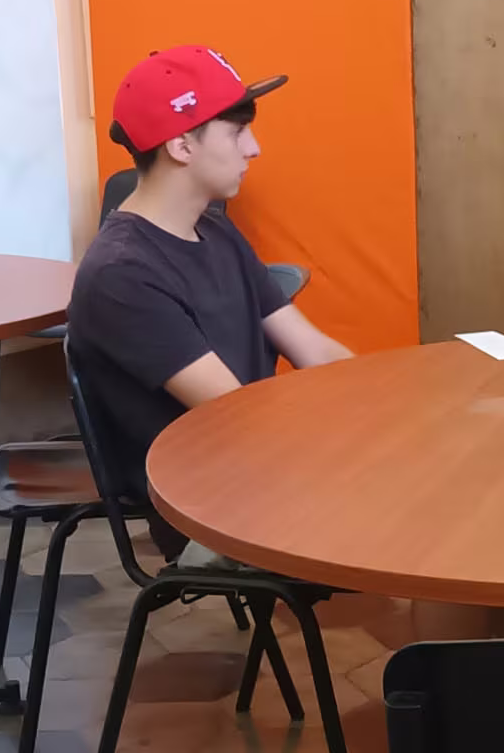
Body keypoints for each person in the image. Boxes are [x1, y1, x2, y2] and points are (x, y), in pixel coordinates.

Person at [68, 45, 354, 567]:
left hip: (264, 463)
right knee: (438, 517)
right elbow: (234, 414)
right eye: (237, 131)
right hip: (213, 501)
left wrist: (388, 410)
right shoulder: (121, 274)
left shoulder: (215, 230)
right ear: (181, 146)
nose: (254, 149)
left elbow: (313, 348)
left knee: (449, 480)